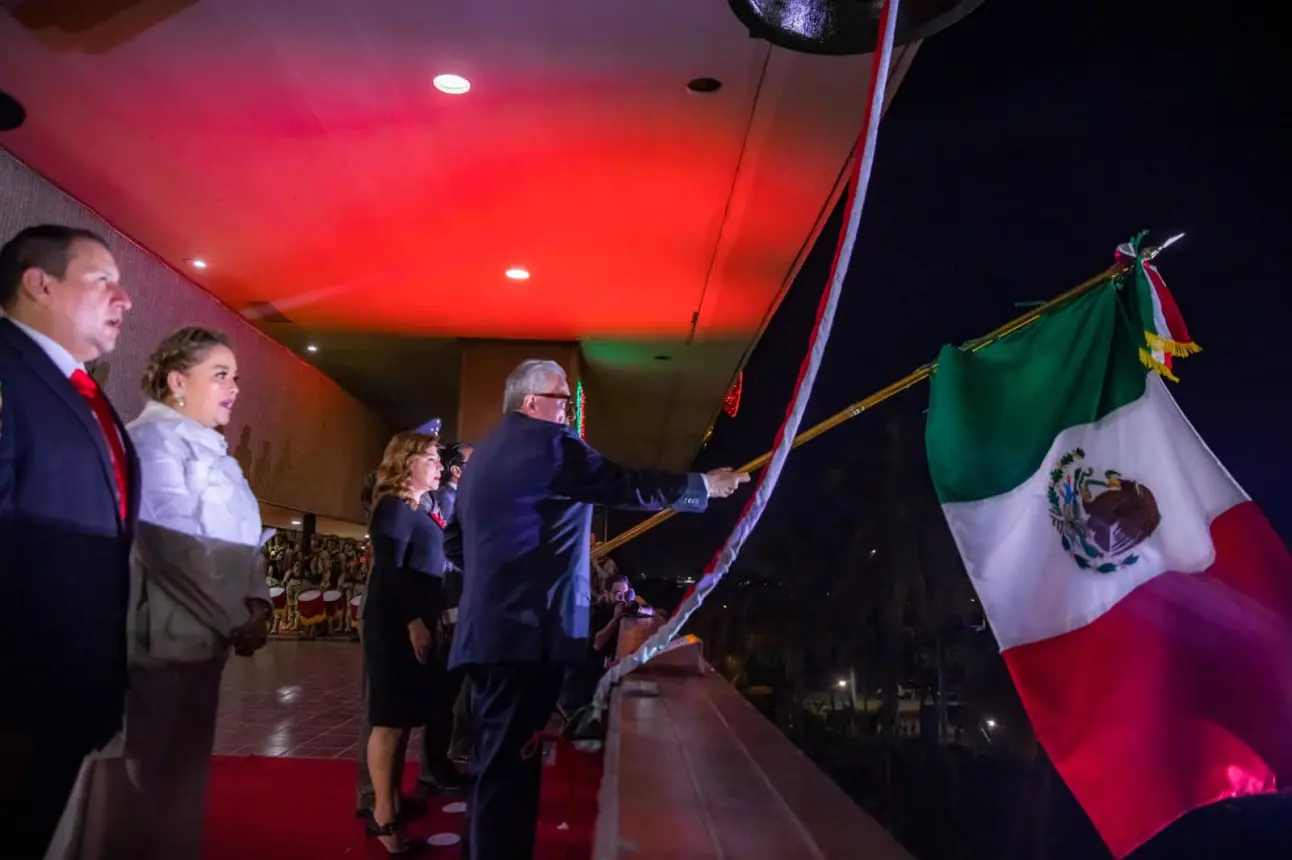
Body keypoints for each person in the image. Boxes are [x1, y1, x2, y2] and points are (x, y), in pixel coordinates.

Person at [445, 359, 749, 860]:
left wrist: (496, 583)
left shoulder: (481, 458)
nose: (568, 409)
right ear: (531, 403)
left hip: (490, 630)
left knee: (493, 763)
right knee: (509, 773)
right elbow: (621, 484)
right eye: (562, 398)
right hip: (527, 634)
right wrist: (702, 487)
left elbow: (455, 543)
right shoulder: (549, 445)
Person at [93, 326, 271, 859]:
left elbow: (246, 537)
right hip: (160, 643)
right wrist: (234, 616)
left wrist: (259, 600)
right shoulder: (149, 442)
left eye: (235, 377)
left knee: (185, 772)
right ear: (176, 381)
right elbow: (173, 546)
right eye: (220, 375)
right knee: (144, 774)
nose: (234, 387)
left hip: (205, 641)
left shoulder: (216, 451)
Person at [0, 225, 136, 858]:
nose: (125, 298)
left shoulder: (83, 392)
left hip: (64, 690)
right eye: (102, 278)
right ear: (40, 283)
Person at [363, 431, 454, 854]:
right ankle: (385, 822)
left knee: (401, 722)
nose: (439, 465)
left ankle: (395, 801)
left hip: (413, 621)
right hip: (395, 624)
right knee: (388, 721)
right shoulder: (395, 508)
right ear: (407, 463)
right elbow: (390, 575)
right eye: (432, 459)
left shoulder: (418, 508)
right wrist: (415, 621)